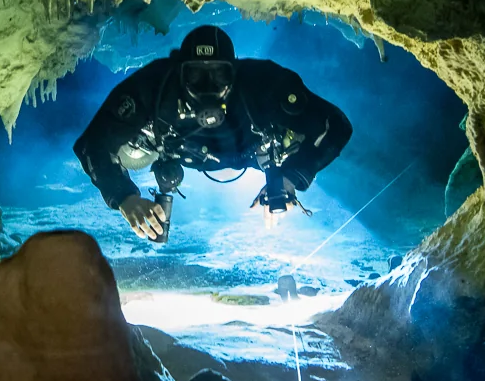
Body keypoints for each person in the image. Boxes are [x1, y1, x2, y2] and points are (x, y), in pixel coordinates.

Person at [74, 25, 353, 241]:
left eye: (219, 75)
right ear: (179, 74)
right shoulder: (154, 86)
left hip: (257, 149)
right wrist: (125, 197)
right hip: (173, 146)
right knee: (120, 146)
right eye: (195, 76)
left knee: (299, 133)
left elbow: (335, 126)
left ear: (234, 73)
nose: (208, 86)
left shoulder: (264, 84)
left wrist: (291, 178)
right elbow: (92, 143)